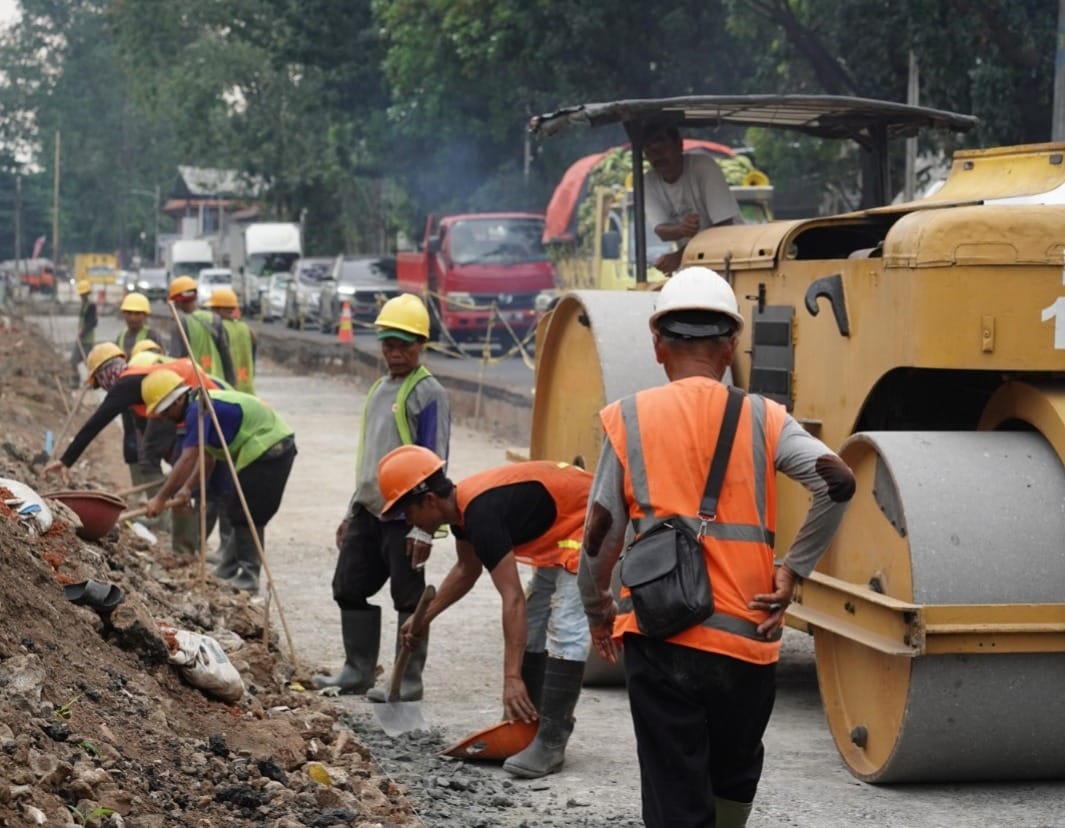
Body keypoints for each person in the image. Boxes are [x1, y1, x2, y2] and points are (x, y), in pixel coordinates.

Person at [578, 266, 855, 828]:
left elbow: (599, 535)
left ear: (658, 345)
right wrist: (793, 571)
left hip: (660, 635)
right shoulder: (764, 416)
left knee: (673, 788)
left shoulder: (630, 418)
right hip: (747, 638)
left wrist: (597, 608)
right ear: (731, 347)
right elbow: (838, 480)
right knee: (732, 779)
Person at [376, 446, 592, 780]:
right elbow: (466, 569)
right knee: (535, 617)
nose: (409, 523)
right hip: (560, 523)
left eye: (408, 513)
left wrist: (511, 678)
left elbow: (512, 599)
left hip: (587, 519)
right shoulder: (462, 511)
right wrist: (424, 618)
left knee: (565, 624)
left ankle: (551, 739)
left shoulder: (481, 514)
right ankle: (530, 724)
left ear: (429, 501)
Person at [312, 293, 450, 697]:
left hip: (406, 517)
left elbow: (436, 460)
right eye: (388, 344)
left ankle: (407, 678)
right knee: (348, 587)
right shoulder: (378, 389)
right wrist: (351, 509)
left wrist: (425, 529)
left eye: (404, 345)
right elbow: (370, 454)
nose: (394, 353)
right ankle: (358, 669)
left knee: (409, 599)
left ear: (420, 344)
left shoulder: (429, 393)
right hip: (370, 511)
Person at [43, 345, 228, 533]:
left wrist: (66, 461)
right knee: (188, 471)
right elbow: (144, 428)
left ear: (104, 373)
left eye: (100, 382)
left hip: (200, 403)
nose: (104, 388)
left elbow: (96, 423)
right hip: (199, 400)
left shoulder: (125, 385)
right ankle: (183, 532)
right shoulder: (135, 378)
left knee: (196, 475)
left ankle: (174, 527)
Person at [142, 369, 297, 592]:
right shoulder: (201, 408)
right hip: (264, 447)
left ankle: (248, 576)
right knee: (238, 510)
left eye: (164, 412)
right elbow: (208, 458)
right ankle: (228, 570)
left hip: (270, 445)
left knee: (247, 512)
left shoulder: (197, 409)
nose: (164, 418)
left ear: (176, 401)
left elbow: (188, 458)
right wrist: (186, 489)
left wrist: (160, 498)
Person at [643, 123, 741, 275]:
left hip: (733, 258)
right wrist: (681, 230)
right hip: (695, 264)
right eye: (651, 152)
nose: (658, 157)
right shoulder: (648, 181)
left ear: (679, 146)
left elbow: (724, 227)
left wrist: (679, 256)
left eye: (662, 149)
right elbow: (661, 230)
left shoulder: (703, 167)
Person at [166, 275, 232, 383]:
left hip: (196, 382)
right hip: (217, 382)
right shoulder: (214, 319)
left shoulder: (180, 324)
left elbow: (175, 359)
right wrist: (231, 382)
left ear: (177, 301)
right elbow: (226, 355)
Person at [203, 287, 255, 394]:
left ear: (220, 310)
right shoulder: (246, 329)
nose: (211, 313)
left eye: (213, 309)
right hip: (246, 387)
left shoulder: (219, 328)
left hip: (226, 386)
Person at [69, 280, 97, 386]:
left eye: (84, 294)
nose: (82, 296)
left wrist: (83, 331)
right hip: (81, 339)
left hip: (87, 340)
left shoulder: (91, 306)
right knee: (73, 361)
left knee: (88, 363)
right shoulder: (84, 306)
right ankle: (76, 380)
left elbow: (93, 322)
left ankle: (93, 382)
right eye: (81, 294)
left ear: (87, 294)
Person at [115, 292, 156, 357]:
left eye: (137, 313)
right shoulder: (121, 337)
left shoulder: (152, 335)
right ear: (124, 314)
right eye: (129, 313)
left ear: (145, 315)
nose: (133, 318)